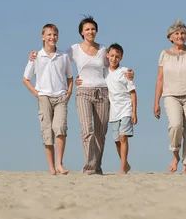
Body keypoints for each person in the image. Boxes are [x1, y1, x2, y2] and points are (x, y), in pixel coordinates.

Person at [28, 16, 133, 175]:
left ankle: (96, 166)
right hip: (83, 92)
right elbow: (57, 57)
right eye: (87, 29)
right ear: (81, 33)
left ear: (96, 31)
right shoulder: (74, 49)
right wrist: (35, 55)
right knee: (87, 130)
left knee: (100, 132)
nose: (90, 32)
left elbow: (113, 65)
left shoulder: (104, 50)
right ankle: (89, 166)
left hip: (102, 92)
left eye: (92, 29)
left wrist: (128, 73)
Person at [23, 23, 74, 175]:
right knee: (47, 132)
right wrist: (36, 93)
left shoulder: (63, 56)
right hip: (44, 96)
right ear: (43, 37)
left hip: (60, 97)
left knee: (60, 129)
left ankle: (59, 163)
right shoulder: (36, 57)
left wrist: (69, 92)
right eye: (49, 34)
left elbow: (70, 76)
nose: (52, 37)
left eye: (55, 34)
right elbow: (26, 78)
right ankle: (51, 167)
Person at [153, 19, 186, 174]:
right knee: (175, 125)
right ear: (170, 37)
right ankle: (175, 155)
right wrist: (156, 102)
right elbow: (160, 79)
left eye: (183, 33)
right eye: (177, 33)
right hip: (171, 95)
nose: (180, 36)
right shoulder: (164, 54)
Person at [104, 43, 137, 174]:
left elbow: (133, 93)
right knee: (117, 140)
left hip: (126, 109)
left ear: (121, 57)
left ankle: (122, 168)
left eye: (117, 56)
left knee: (123, 137)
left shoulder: (125, 72)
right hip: (113, 111)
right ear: (107, 55)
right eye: (111, 56)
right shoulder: (104, 71)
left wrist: (134, 112)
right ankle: (125, 163)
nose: (114, 59)